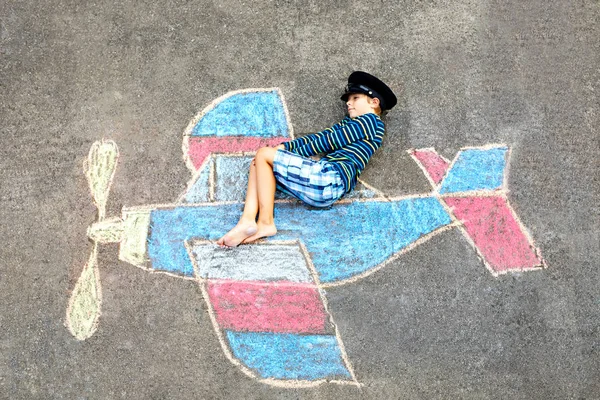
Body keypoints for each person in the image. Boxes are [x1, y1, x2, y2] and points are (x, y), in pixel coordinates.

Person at [217, 71, 397, 247]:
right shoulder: (352, 124)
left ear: (374, 102)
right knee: (258, 163)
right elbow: (320, 137)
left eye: (355, 98)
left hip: (329, 179)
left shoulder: (370, 122)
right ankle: (248, 221)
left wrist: (283, 151)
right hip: (323, 186)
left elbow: (325, 142)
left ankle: (263, 222)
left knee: (264, 154)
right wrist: (286, 147)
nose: (349, 103)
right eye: (348, 100)